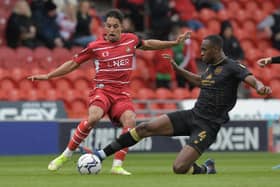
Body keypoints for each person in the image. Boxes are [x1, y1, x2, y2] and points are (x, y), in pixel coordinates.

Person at [27, 9, 190, 175]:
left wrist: (173, 43)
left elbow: (148, 44)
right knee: (94, 117)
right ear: (105, 27)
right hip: (103, 91)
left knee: (130, 121)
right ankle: (65, 155)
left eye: (115, 26)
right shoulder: (95, 46)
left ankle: (117, 166)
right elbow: (73, 63)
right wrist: (49, 76)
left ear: (122, 27)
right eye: (109, 26)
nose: (111, 30)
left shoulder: (131, 40)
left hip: (122, 93)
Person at [91, 35, 271, 175]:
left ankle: (206, 169)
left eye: (204, 50)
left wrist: (260, 87)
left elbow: (250, 78)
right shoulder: (209, 66)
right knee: (145, 128)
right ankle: (101, 155)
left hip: (207, 126)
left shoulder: (232, 66)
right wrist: (178, 70)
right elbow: (201, 81)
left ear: (216, 50)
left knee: (179, 168)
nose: (201, 54)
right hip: (192, 115)